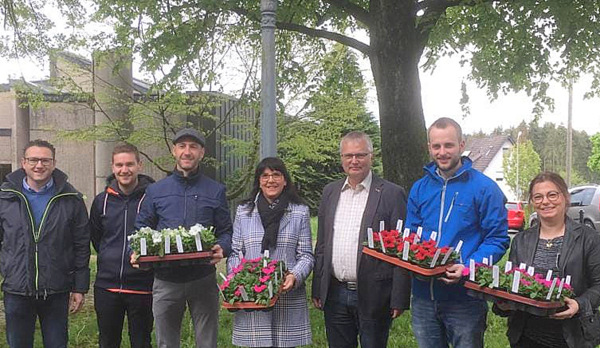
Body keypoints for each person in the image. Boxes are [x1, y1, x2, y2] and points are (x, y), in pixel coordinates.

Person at [405, 117, 510, 348]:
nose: (442, 152)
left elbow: (498, 238)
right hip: (423, 297)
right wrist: (414, 260)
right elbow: (410, 234)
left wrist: (469, 266)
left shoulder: (484, 188)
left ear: (462, 145)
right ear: (429, 148)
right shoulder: (419, 188)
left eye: (449, 145)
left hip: (466, 298)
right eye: (436, 146)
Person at [311, 131, 411, 348]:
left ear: (371, 157)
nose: (354, 161)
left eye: (360, 155)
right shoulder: (330, 192)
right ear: (341, 159)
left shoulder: (391, 194)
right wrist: (318, 286)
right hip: (335, 293)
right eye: (348, 156)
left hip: (375, 294)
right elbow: (322, 244)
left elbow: (403, 247)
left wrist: (399, 296)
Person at [135, 128, 232, 348]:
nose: (187, 152)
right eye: (182, 146)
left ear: (202, 153)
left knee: (207, 342)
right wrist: (140, 251)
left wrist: (223, 248)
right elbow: (142, 227)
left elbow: (226, 231)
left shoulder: (215, 190)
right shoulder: (156, 191)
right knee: (166, 342)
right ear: (174, 151)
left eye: (193, 147)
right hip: (166, 279)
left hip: (203, 278)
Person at [0, 139, 90, 348]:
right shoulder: (5, 198)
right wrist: (7, 268)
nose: (39, 165)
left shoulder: (71, 198)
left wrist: (80, 287)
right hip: (17, 290)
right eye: (33, 160)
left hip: (56, 290)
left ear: (54, 163)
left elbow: (81, 245)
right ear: (23, 162)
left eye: (45, 160)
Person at [494, 172, 600, 348]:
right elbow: (511, 283)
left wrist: (579, 304)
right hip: (526, 337)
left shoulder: (587, 238)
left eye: (552, 195)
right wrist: (503, 303)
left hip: (572, 338)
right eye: (538, 197)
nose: (545, 201)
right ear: (532, 203)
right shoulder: (521, 240)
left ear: (565, 197)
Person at [227, 157, 314, 347]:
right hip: (252, 299)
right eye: (265, 176)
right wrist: (234, 279)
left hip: (287, 297)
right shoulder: (244, 211)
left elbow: (306, 255)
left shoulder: (299, 211)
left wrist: (295, 276)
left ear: (285, 180)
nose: (270, 180)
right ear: (259, 181)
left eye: (276, 175)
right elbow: (235, 253)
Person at [89, 143, 155, 348]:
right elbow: (97, 238)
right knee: (108, 342)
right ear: (112, 167)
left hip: (143, 286)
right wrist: (111, 257)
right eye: (119, 165)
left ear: (139, 165)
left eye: (129, 164)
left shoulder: (153, 199)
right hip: (107, 286)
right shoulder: (101, 201)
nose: (124, 170)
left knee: (142, 342)